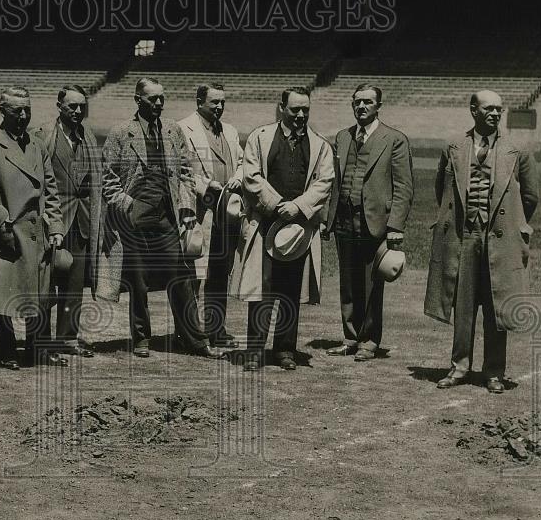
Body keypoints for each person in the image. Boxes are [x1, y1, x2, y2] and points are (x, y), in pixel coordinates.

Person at [96, 77, 221, 359]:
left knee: (181, 278)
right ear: (138, 100)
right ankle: (141, 339)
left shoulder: (173, 130)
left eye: (162, 98)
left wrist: (187, 207)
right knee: (138, 282)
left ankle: (196, 340)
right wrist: (129, 206)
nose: (159, 104)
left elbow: (187, 173)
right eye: (153, 99)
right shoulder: (120, 133)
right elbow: (108, 180)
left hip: (167, 218)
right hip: (135, 221)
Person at [425, 89, 539, 393]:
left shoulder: (518, 149)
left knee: (496, 304)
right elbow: (442, 191)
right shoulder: (453, 146)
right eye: (489, 109)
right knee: (462, 304)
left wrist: (510, 223)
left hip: (500, 236)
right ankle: (459, 366)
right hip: (464, 236)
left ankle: (493, 372)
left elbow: (530, 196)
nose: (496, 114)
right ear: (473, 110)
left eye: (499, 109)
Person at [231, 86, 335, 371]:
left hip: (299, 229)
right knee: (262, 289)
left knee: (291, 291)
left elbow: (324, 182)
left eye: (306, 110)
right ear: (281, 108)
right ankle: (254, 350)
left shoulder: (320, 145)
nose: (301, 115)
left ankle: (285, 350)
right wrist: (277, 204)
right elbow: (251, 176)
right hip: (265, 223)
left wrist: (298, 207)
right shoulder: (260, 137)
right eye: (295, 109)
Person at [326, 84, 414, 362]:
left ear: (378, 106)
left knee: (372, 282)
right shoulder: (341, 137)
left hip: (375, 221)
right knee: (348, 282)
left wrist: (396, 227)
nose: (361, 107)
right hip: (344, 220)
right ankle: (351, 337)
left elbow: (404, 187)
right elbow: (333, 183)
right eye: (357, 102)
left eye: (368, 102)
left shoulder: (395, 139)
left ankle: (369, 340)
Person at [0, 87, 65, 369]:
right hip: (7, 232)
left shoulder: (38, 146)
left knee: (41, 293)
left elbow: (51, 190)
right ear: (3, 111)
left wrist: (56, 227)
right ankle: (7, 351)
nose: (24, 116)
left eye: (28, 110)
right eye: (18, 111)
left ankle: (40, 348)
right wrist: (1, 218)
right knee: (4, 294)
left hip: (37, 232)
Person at [31, 84, 100, 358]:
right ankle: (43, 340)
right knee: (46, 282)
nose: (78, 111)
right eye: (72, 106)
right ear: (59, 106)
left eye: (82, 106)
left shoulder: (89, 137)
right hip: (53, 220)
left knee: (74, 284)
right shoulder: (43, 135)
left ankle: (68, 338)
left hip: (82, 221)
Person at [177, 84, 244, 347]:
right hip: (198, 213)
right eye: (213, 102)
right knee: (194, 275)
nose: (219, 107)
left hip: (226, 213)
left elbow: (241, 162)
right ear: (199, 101)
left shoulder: (230, 131)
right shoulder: (183, 128)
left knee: (219, 274)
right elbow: (180, 169)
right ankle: (191, 334)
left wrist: (237, 179)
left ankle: (216, 330)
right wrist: (206, 185)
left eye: (222, 102)